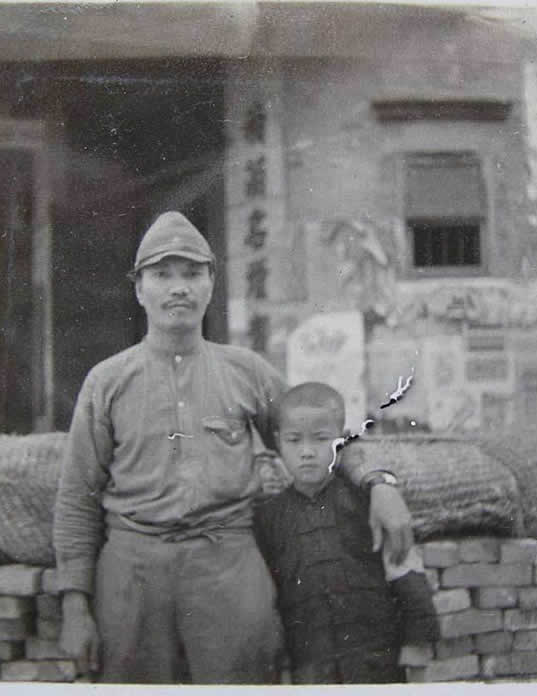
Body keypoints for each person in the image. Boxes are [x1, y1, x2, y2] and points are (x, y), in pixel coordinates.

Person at [53, 211, 416, 684]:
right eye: (162, 275)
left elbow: (321, 434)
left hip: (226, 560)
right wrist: (74, 605)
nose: (178, 288)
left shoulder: (245, 371)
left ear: (210, 284)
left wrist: (379, 483)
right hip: (133, 567)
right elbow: (77, 497)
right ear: (140, 289)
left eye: (192, 274)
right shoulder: (106, 382)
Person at [254, 382, 440, 685]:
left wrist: (416, 647)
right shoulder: (269, 518)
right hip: (312, 669)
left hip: (378, 662)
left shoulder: (367, 501)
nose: (307, 452)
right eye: (294, 440)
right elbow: (270, 599)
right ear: (278, 443)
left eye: (320, 439)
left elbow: (404, 571)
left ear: (341, 441)